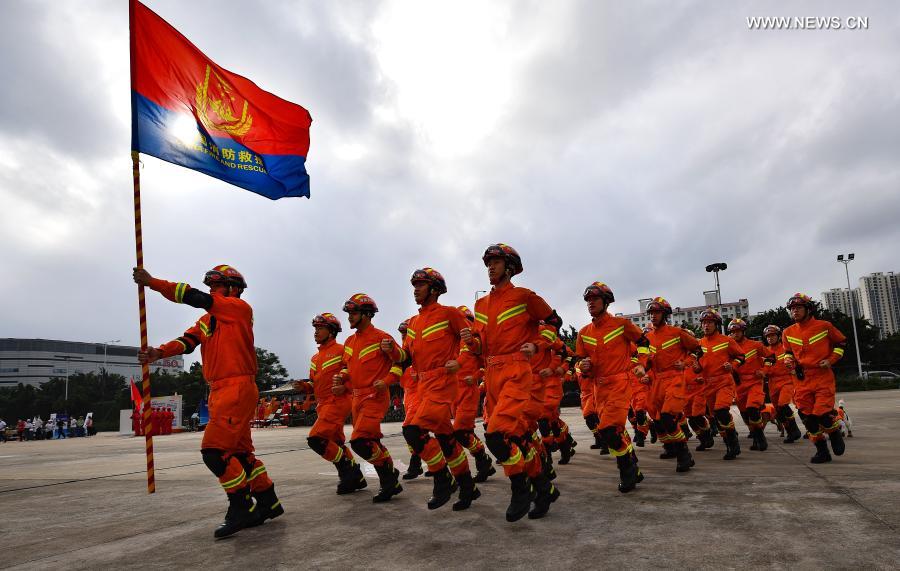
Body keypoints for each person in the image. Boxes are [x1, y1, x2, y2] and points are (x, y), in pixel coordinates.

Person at [134, 264, 282, 539]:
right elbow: (188, 341)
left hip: (236, 387)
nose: (212, 288)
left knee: (214, 452)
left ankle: (241, 507)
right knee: (239, 454)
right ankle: (267, 501)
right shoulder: (208, 320)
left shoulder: (238, 308)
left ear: (234, 288)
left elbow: (194, 297)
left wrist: (152, 282)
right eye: (211, 284)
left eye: (217, 283)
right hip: (219, 391)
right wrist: (158, 352)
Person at [467, 243, 563, 521]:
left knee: (496, 436)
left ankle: (520, 487)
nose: (490, 268)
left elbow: (554, 322)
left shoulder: (524, 296)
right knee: (518, 438)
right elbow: (480, 345)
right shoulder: (480, 304)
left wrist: (537, 344)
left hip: (517, 371)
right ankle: (544, 487)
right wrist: (471, 343)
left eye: (495, 263)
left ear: (509, 268)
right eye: (488, 264)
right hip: (492, 374)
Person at [400, 268, 481, 510]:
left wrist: (461, 363)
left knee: (414, 432)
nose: (415, 289)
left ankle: (441, 477)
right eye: (414, 285)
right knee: (446, 439)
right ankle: (468, 487)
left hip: (443, 383)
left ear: (434, 289)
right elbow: (406, 356)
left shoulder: (450, 314)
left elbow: (475, 346)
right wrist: (392, 353)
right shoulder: (413, 323)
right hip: (422, 386)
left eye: (421, 285)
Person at [576, 282, 650, 492]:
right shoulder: (583, 333)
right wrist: (583, 366)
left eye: (595, 299)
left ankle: (627, 472)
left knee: (608, 430)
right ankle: (633, 467)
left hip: (620, 383)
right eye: (588, 300)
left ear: (606, 301)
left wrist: (642, 365)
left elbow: (644, 342)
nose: (591, 303)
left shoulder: (621, 324)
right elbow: (580, 361)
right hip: (598, 388)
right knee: (612, 431)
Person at [334, 293, 405, 502]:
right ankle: (391, 481)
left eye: (353, 313)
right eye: (348, 313)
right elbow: (348, 368)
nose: (349, 317)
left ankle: (388, 476)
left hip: (375, 396)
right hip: (357, 398)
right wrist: (341, 379)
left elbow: (400, 362)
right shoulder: (349, 341)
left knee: (360, 441)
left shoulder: (382, 338)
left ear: (366, 314)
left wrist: (388, 380)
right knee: (372, 441)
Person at [299, 312, 366, 495]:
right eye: (315, 328)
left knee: (317, 440)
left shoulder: (341, 350)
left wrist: (344, 386)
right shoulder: (315, 358)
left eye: (320, 328)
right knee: (336, 442)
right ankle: (356, 478)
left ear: (332, 331)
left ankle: (348, 472)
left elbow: (352, 371)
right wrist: (305, 386)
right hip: (323, 404)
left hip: (337, 401)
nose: (316, 332)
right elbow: (314, 382)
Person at [782, 293, 848, 463]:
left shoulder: (824, 326)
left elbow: (841, 343)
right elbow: (787, 352)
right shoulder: (788, 332)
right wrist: (788, 361)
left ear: (808, 309)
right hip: (801, 378)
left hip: (821, 376)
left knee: (822, 414)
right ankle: (822, 451)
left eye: (798, 308)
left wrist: (831, 360)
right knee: (808, 418)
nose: (795, 312)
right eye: (792, 309)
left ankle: (834, 432)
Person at [644, 297, 703, 472]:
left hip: (675, 379)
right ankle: (669, 447)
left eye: (657, 312)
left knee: (668, 417)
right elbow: (644, 360)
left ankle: (684, 454)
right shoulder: (647, 338)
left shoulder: (677, 333)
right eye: (651, 313)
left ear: (665, 314)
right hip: (656, 382)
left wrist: (685, 363)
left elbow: (698, 350)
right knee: (657, 420)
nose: (653, 316)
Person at [452, 305, 496, 482]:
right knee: (465, 432)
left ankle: (483, 459)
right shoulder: (451, 342)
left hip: (469, 391)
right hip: (453, 392)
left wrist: (475, 376)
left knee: (461, 431)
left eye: (468, 321)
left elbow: (486, 365)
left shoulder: (474, 342)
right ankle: (484, 465)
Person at [697, 309, 746, 460]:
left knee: (721, 411)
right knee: (716, 418)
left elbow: (740, 356)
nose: (706, 325)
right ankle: (729, 438)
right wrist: (696, 369)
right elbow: (697, 364)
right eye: (704, 323)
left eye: (710, 322)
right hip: (708, 385)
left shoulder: (727, 340)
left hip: (724, 381)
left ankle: (733, 444)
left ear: (717, 324)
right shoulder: (698, 344)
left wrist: (733, 366)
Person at [728, 318, 770, 452]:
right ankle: (756, 436)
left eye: (738, 331)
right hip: (738, 385)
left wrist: (764, 371)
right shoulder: (728, 347)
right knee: (745, 415)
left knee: (752, 409)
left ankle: (760, 438)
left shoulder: (755, 345)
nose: (735, 334)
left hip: (754, 382)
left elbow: (771, 357)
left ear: (743, 331)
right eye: (733, 332)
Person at [762, 325, 803, 443]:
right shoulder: (765, 351)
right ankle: (790, 432)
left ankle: (795, 429)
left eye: (772, 335)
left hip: (787, 381)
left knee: (783, 404)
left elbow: (796, 360)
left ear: (779, 336)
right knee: (778, 411)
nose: (770, 338)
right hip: (772, 383)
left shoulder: (786, 348)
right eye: (768, 336)